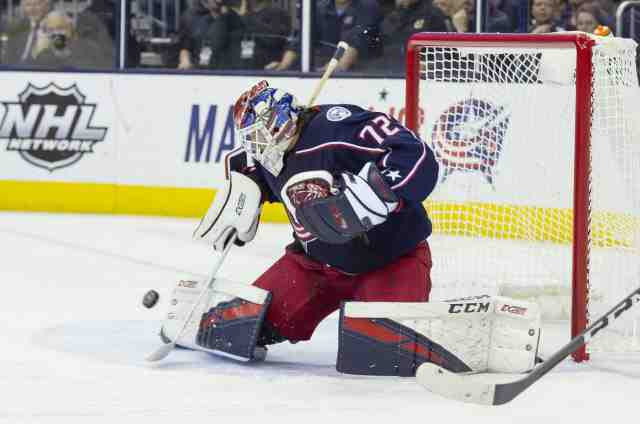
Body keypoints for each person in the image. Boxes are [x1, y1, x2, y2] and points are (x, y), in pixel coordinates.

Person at [159, 80, 440, 371]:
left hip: (391, 260)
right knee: (227, 330)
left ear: (278, 123)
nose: (255, 146)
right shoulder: (267, 156)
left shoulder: (337, 128)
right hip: (315, 266)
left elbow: (416, 155)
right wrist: (245, 192)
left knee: (383, 354)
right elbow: (250, 167)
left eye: (256, 136)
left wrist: (379, 192)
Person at [265, 0, 383, 72]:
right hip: (324, 70)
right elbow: (301, 38)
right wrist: (283, 66)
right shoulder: (319, 7)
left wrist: (336, 67)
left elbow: (358, 39)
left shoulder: (368, 6)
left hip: (360, 73)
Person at [359, 0, 449, 75]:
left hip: (422, 75)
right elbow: (379, 47)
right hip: (389, 72)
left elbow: (445, 53)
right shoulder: (391, 16)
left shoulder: (433, 14)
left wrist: (429, 66)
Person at [29, 10, 113, 69]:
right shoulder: (42, 53)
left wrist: (65, 54)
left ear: (70, 29)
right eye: (51, 30)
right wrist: (37, 50)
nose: (56, 33)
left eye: (60, 28)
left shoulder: (89, 48)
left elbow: (105, 67)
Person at [176, 0, 242, 70]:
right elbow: (185, 47)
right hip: (200, 71)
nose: (218, 1)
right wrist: (185, 60)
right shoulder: (191, 17)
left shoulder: (233, 19)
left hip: (227, 72)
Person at [226, 0, 291, 70]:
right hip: (236, 72)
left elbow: (273, 39)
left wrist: (245, 17)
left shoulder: (279, 13)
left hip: (264, 73)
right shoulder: (235, 15)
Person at [3, 0, 51, 65]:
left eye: (37, 4)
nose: (32, 9)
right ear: (23, 7)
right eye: (28, 5)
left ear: (47, 6)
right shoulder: (16, 29)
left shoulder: (57, 27)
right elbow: (7, 61)